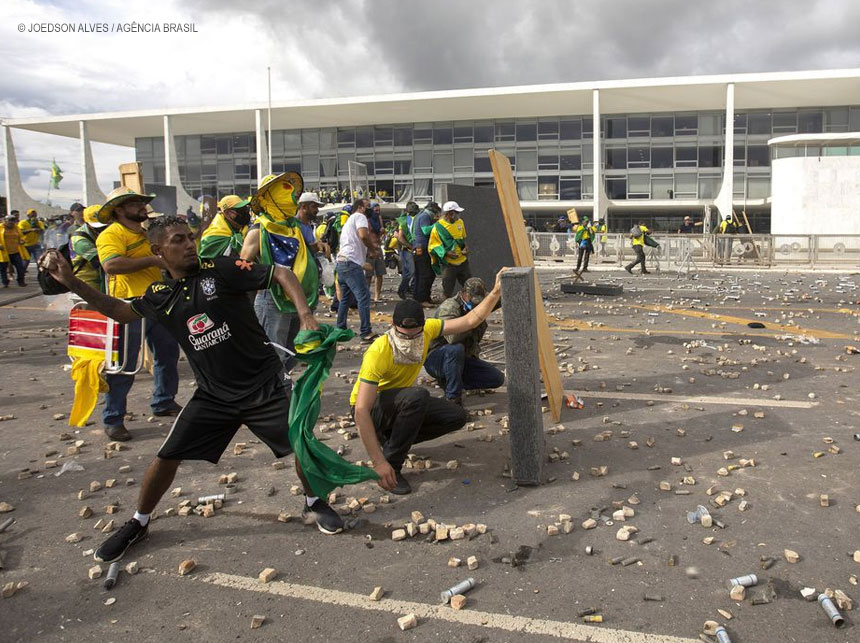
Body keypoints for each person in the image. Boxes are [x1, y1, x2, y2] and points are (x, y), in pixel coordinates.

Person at [40, 216, 345, 564]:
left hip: (265, 386)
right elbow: (118, 311)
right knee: (166, 457)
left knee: (302, 447)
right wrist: (70, 281)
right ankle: (139, 522)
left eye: (190, 238)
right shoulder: (159, 294)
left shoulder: (223, 268)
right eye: (178, 240)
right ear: (158, 251)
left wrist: (306, 315)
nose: (188, 245)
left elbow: (280, 273)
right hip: (214, 396)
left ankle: (313, 502)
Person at [351, 273, 504, 495]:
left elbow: (471, 320)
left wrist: (496, 291)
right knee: (417, 396)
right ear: (393, 326)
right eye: (404, 335)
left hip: (399, 403)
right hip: (371, 409)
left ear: (424, 327)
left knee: (456, 416)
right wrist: (378, 462)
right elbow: (361, 409)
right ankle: (391, 466)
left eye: (416, 335)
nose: (410, 340)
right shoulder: (379, 351)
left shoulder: (430, 329)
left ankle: (391, 440)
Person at [96, 187, 181, 440]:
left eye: (142, 203)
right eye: (135, 204)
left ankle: (164, 401)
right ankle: (113, 417)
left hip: (156, 301)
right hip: (127, 305)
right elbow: (111, 264)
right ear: (119, 210)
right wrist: (154, 262)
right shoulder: (112, 234)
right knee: (124, 363)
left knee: (167, 354)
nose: (142, 207)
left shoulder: (145, 234)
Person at [241, 173, 319, 383]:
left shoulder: (293, 227)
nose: (292, 196)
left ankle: (274, 384)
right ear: (271, 197)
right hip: (272, 298)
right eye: (285, 190)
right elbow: (243, 267)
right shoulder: (259, 230)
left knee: (294, 350)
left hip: (298, 297)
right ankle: (272, 394)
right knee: (273, 352)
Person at [424, 278, 505, 406]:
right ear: (464, 294)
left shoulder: (478, 303)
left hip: (461, 359)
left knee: (496, 378)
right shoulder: (449, 307)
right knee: (456, 349)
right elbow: (453, 338)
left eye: (480, 302)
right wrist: (472, 320)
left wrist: (502, 287)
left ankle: (452, 380)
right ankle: (452, 400)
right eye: (474, 301)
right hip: (438, 358)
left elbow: (497, 299)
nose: (477, 305)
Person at [335, 198, 378, 342]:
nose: (370, 209)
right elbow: (363, 235)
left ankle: (340, 329)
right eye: (368, 206)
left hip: (342, 263)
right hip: (350, 263)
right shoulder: (360, 216)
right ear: (360, 207)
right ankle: (366, 332)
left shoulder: (349, 220)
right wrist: (372, 249)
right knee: (363, 296)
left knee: (345, 299)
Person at [429, 201, 471, 299]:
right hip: (449, 265)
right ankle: (445, 310)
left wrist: (465, 248)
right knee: (447, 290)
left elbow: (463, 238)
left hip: (463, 262)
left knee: (470, 287)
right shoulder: (438, 227)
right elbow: (433, 246)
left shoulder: (460, 222)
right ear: (450, 214)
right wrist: (447, 253)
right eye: (457, 213)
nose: (459, 215)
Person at [199, 195, 252, 259]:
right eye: (240, 210)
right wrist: (247, 235)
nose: (245, 212)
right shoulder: (214, 234)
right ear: (227, 213)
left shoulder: (241, 227)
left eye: (245, 209)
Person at [70, 204, 108, 291]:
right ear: (87, 222)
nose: (102, 229)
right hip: (87, 284)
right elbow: (102, 261)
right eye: (98, 227)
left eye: (104, 226)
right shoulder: (79, 240)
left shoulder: (98, 233)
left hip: (101, 280)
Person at [411, 202, 441, 307]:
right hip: (422, 247)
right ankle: (422, 299)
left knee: (420, 274)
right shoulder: (424, 216)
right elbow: (426, 231)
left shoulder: (420, 215)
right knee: (426, 274)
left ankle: (420, 298)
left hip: (418, 247)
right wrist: (438, 223)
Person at [395, 201, 418, 300]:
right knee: (410, 271)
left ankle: (411, 290)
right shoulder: (404, 221)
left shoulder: (414, 219)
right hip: (406, 249)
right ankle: (402, 290)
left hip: (412, 248)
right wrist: (409, 246)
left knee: (413, 272)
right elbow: (400, 237)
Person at [365, 202, 386, 303]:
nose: (377, 212)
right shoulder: (368, 220)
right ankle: (367, 295)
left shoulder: (379, 219)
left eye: (379, 210)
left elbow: (381, 231)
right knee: (368, 274)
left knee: (380, 273)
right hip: (370, 249)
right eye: (376, 210)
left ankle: (377, 296)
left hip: (378, 247)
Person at [1, 214, 28, 287]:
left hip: (15, 251)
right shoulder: (0, 227)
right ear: (5, 221)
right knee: (3, 268)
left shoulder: (16, 228)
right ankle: (5, 282)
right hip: (3, 252)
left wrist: (22, 240)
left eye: (13, 221)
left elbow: (21, 236)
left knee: (20, 267)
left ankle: (21, 281)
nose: (12, 223)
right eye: (10, 221)